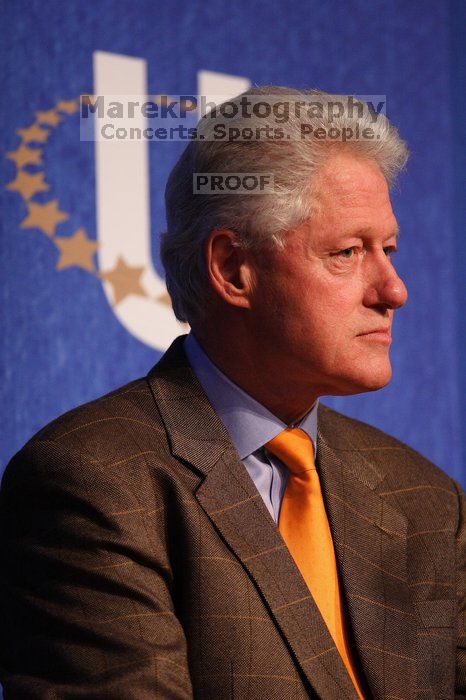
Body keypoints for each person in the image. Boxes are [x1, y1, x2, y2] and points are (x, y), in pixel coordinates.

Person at [0, 87, 464, 700]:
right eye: (348, 253)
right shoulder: (90, 482)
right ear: (232, 269)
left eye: (390, 249)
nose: (394, 290)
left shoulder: (427, 500)